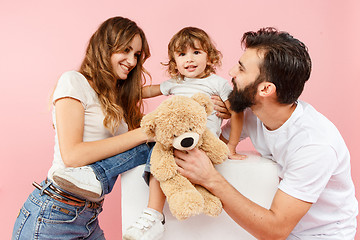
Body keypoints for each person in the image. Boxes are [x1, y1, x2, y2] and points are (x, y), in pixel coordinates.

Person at [174, 27, 358, 239]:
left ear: (265, 90)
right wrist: (214, 117)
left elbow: (276, 230)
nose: (232, 72)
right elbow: (216, 145)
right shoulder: (253, 114)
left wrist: (211, 179)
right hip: (282, 227)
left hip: (320, 235)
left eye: (241, 69)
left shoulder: (315, 145)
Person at [12, 16, 154, 239]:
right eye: (125, 50)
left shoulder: (116, 99)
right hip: (53, 214)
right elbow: (72, 155)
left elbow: (137, 145)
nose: (132, 61)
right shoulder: (74, 81)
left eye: (136, 55)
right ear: (105, 47)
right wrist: (141, 134)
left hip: (88, 217)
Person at [122, 27, 246, 240]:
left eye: (196, 52)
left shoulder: (217, 83)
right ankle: (154, 213)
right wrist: (122, 91)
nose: (189, 59)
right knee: (158, 158)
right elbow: (149, 90)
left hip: (202, 141)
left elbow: (236, 112)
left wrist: (231, 144)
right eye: (182, 54)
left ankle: (201, 200)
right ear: (174, 61)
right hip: (174, 141)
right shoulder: (175, 83)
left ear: (209, 57)